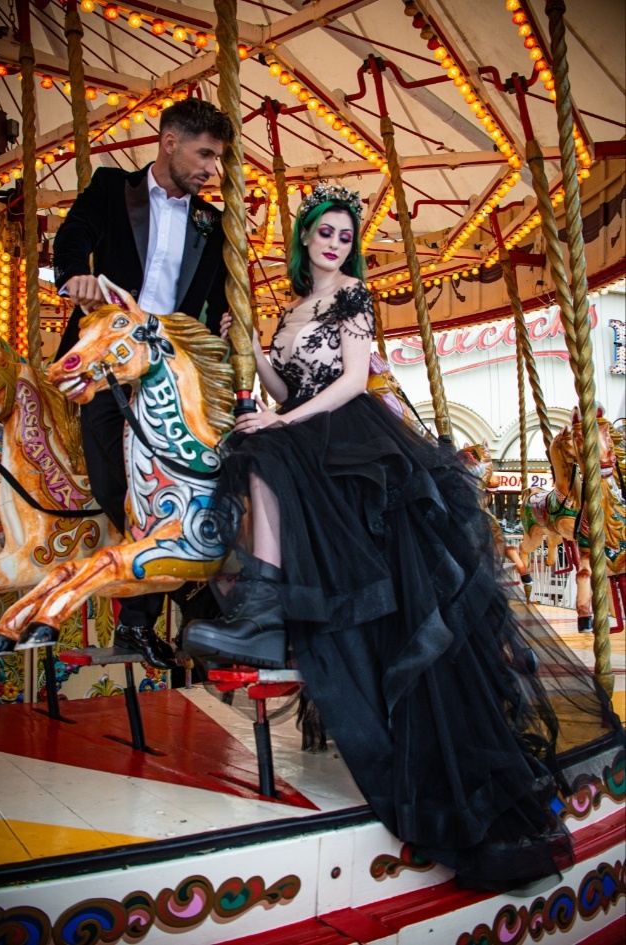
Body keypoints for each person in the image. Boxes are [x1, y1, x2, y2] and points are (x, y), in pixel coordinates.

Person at [183, 183, 621, 891]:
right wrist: (250, 350)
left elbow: (353, 380)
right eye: (323, 233)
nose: (334, 243)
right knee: (250, 451)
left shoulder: (353, 298)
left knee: (263, 454)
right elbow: (285, 380)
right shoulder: (293, 309)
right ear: (304, 240)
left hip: (349, 437)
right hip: (309, 427)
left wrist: (284, 422)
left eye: (343, 235)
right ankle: (264, 612)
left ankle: (263, 612)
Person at [52, 98, 234, 668]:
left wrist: (225, 322)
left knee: (186, 485)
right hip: (112, 360)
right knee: (116, 481)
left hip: (170, 370)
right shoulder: (112, 188)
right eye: (205, 154)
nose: (213, 168)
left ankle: (140, 620)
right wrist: (74, 277)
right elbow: (71, 236)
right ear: (170, 141)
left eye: (219, 157)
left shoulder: (213, 220)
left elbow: (221, 294)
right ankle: (189, 586)